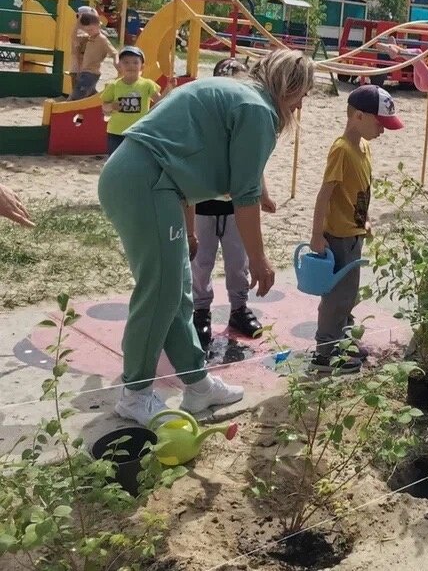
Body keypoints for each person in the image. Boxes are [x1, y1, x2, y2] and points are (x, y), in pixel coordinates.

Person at [98, 48, 316, 425]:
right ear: (292, 87)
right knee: (159, 292)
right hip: (148, 182)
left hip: (145, 179)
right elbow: (243, 198)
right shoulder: (258, 109)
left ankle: (198, 386)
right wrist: (259, 260)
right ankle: (135, 394)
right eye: (304, 92)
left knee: (176, 294)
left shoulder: (241, 93)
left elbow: (216, 163)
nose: (303, 102)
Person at [309, 84, 403, 374]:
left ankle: (342, 339)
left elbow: (358, 192)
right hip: (336, 237)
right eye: (380, 123)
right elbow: (326, 194)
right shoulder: (342, 150)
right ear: (358, 116)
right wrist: (316, 235)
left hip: (354, 233)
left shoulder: (364, 147)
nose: (383, 130)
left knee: (349, 293)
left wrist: (365, 220)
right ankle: (325, 353)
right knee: (336, 296)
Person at [190, 57, 278, 351]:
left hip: (236, 208)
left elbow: (252, 165)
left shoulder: (246, 121)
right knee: (201, 261)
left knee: (237, 260)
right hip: (203, 203)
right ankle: (200, 311)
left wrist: (263, 194)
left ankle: (239, 310)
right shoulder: (206, 121)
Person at [100, 46, 164, 155]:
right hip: (116, 131)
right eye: (126, 62)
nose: (131, 66)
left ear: (142, 67)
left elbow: (160, 102)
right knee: (116, 161)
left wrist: (169, 88)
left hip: (139, 131)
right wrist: (111, 106)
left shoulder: (147, 84)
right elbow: (104, 108)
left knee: (137, 159)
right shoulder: (114, 86)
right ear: (119, 66)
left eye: (135, 62)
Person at [70, 9, 116, 100]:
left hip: (90, 72)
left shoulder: (101, 39)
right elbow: (74, 37)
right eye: (87, 30)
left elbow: (113, 52)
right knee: (88, 93)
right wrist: (78, 23)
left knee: (77, 95)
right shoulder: (89, 37)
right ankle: (98, 102)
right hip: (83, 70)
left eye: (90, 29)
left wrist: (117, 62)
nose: (89, 31)